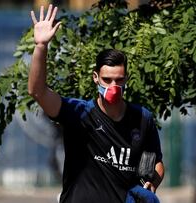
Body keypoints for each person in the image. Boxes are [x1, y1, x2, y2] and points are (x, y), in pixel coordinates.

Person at [28, 4, 164, 203]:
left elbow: (154, 161)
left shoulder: (142, 119)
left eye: (119, 80)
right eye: (107, 80)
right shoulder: (78, 113)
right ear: (95, 78)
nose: (113, 86)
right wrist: (41, 46)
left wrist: (152, 182)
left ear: (126, 79)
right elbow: (37, 91)